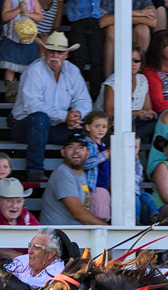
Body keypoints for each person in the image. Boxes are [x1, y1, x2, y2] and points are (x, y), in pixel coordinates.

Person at [11, 32, 92, 184]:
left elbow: (84, 100)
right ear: (45, 52)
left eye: (59, 52)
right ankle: (35, 170)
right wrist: (64, 116)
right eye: (51, 51)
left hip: (53, 128)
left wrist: (76, 114)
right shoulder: (34, 70)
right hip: (26, 127)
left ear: (66, 54)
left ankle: (81, 169)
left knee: (87, 123)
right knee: (40, 118)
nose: (55, 55)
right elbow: (32, 106)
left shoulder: (72, 70)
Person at [40, 137, 102, 226]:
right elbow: (78, 214)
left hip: (73, 233)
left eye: (81, 148)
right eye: (71, 147)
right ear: (63, 152)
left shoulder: (82, 175)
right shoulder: (63, 173)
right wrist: (107, 229)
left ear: (87, 153)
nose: (76, 151)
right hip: (59, 234)